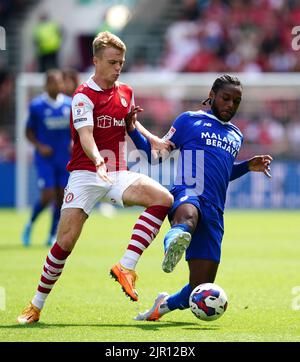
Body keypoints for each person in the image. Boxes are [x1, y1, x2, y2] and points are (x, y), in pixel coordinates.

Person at [17, 31, 173, 324]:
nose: (118, 68)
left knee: (163, 198)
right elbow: (86, 136)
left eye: (121, 63)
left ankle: (126, 266)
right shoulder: (82, 96)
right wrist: (98, 159)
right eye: (113, 62)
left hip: (116, 172)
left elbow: (131, 125)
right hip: (85, 174)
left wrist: (155, 140)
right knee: (65, 243)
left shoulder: (126, 91)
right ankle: (35, 305)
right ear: (96, 61)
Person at [125, 74, 273, 321]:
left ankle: (164, 304)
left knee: (199, 287)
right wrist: (132, 130)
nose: (230, 105)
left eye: (236, 101)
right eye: (226, 98)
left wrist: (246, 166)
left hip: (215, 209)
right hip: (188, 192)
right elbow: (155, 155)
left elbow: (224, 172)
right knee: (188, 219)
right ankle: (173, 242)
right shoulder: (189, 120)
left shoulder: (236, 135)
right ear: (212, 95)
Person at [22, 69, 72, 247]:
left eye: (60, 82)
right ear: (46, 85)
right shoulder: (37, 106)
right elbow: (28, 131)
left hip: (64, 158)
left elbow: (77, 129)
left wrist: (74, 141)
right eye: (53, 82)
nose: (57, 85)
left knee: (61, 198)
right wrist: (39, 146)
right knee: (47, 195)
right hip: (46, 158)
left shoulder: (70, 104)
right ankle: (31, 223)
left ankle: (52, 234)